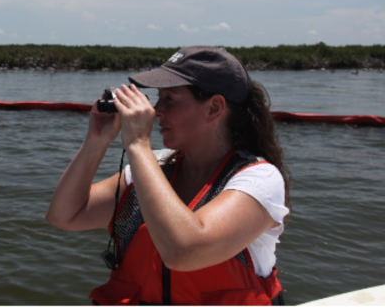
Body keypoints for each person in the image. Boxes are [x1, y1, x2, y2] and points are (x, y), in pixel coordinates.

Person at [46, 46, 291, 306]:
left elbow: (183, 252)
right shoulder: (156, 168)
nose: (156, 110)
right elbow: (65, 215)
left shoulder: (259, 179)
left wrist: (139, 144)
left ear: (214, 108)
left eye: (169, 99)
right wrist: (96, 142)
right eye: (157, 98)